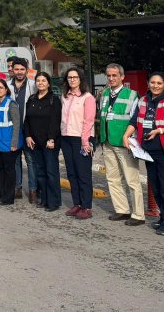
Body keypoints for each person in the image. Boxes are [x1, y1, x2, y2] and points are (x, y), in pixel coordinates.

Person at [122, 72, 164, 236]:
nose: (155, 85)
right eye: (153, 82)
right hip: (149, 151)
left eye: (159, 83)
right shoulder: (143, 100)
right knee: (157, 187)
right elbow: (134, 121)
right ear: (148, 83)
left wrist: (158, 131)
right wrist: (126, 135)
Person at [98, 63, 145, 226]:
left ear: (122, 77)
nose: (111, 78)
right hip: (108, 141)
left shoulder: (132, 95)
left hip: (124, 143)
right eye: (109, 75)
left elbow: (135, 120)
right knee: (112, 178)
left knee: (132, 180)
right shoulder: (104, 94)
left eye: (114, 75)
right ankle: (122, 210)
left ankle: (138, 214)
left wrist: (131, 139)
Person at [60, 66, 96, 220]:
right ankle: (77, 203)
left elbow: (88, 121)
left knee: (83, 174)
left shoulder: (87, 97)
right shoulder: (65, 97)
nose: (72, 80)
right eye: (69, 77)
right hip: (66, 137)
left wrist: (85, 141)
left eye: (75, 77)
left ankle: (87, 206)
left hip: (82, 139)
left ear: (80, 79)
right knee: (72, 172)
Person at [25, 72, 62, 211]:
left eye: (43, 80)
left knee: (51, 172)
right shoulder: (32, 98)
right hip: (35, 142)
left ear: (48, 83)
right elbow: (27, 119)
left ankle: (53, 201)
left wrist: (51, 138)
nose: (40, 83)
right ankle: (45, 199)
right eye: (38, 80)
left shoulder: (54, 99)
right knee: (40, 171)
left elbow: (55, 121)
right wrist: (28, 136)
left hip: (49, 142)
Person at [0, 78, 22, 205]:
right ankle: (2, 193)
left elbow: (17, 124)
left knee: (9, 170)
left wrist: (14, 143)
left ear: (6, 89)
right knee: (0, 169)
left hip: (8, 143)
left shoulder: (11, 103)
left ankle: (9, 197)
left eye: (1, 87)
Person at [8, 57, 36, 201]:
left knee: (30, 160)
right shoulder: (7, 85)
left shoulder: (33, 85)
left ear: (27, 70)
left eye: (22, 69)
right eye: (16, 69)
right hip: (13, 128)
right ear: (12, 70)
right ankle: (17, 187)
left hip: (28, 128)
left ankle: (32, 190)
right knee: (15, 159)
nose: (19, 72)